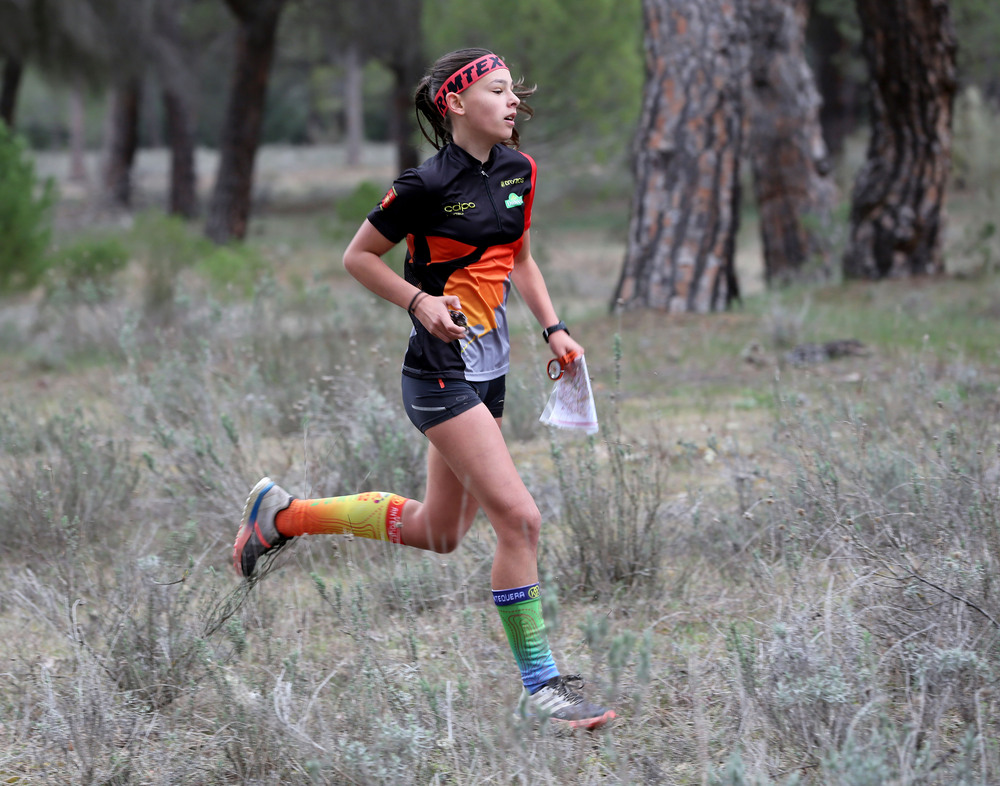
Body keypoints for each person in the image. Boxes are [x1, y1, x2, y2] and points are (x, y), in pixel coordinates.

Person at [232, 48, 616, 730]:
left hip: (490, 373)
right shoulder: (424, 185)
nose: (512, 103)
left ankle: (281, 517)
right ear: (456, 104)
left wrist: (554, 329)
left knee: (440, 531)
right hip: (438, 375)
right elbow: (358, 258)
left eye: (512, 92)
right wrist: (418, 302)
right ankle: (544, 689)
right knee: (521, 521)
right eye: (498, 91)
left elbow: (519, 259)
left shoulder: (520, 172)